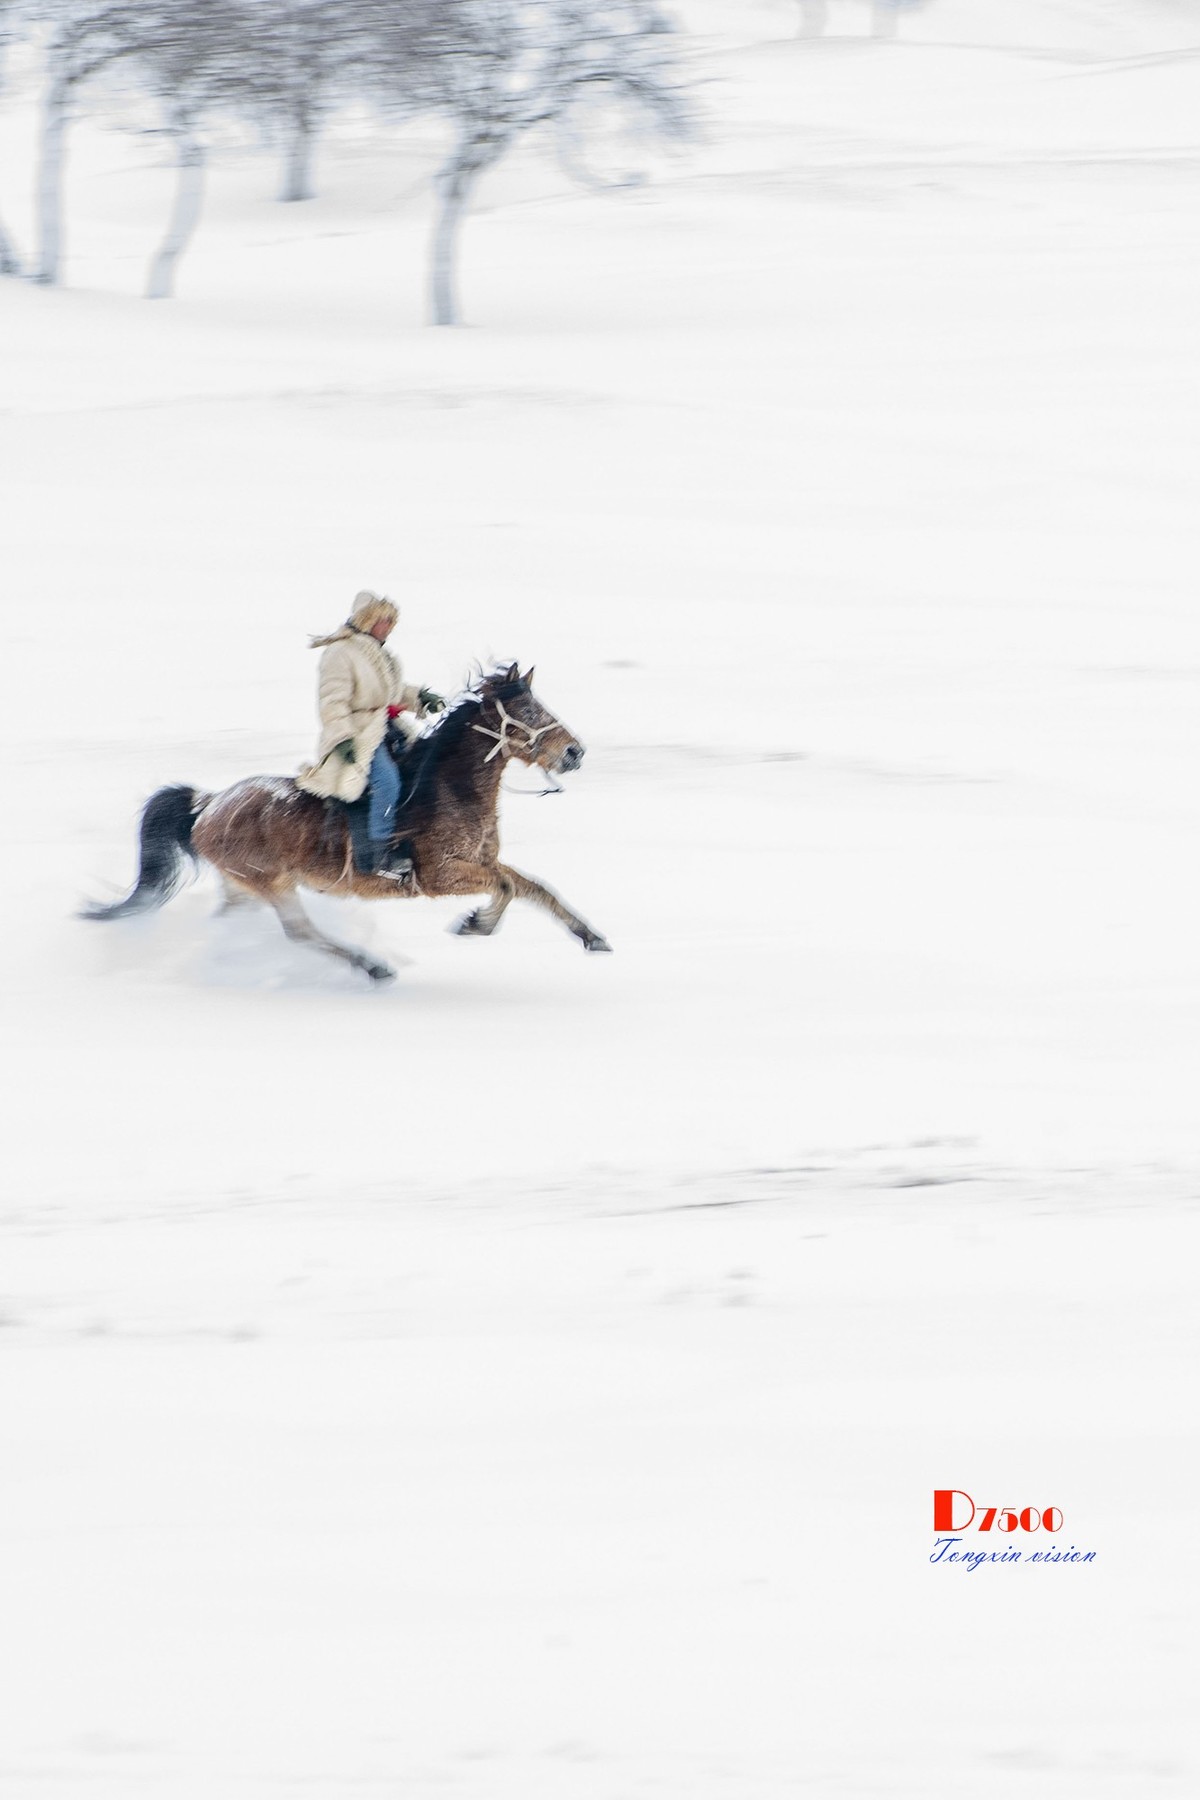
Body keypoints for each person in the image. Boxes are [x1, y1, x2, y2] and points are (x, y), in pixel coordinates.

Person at [296, 590, 444, 877]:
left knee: (422, 768)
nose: (389, 627)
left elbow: (390, 693)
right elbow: (332, 701)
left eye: (391, 621)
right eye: (383, 621)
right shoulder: (341, 653)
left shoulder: (378, 653)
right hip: (358, 734)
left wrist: (419, 698)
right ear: (366, 620)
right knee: (387, 781)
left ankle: (411, 837)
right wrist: (342, 738)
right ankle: (380, 852)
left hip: (384, 729)